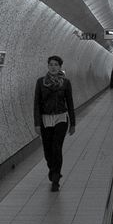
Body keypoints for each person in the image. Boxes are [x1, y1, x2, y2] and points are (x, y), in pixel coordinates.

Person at [33, 55, 75, 191]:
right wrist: (37, 123)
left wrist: (73, 123)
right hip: (45, 119)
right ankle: (52, 169)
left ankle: (56, 177)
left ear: (60, 67)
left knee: (57, 147)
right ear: (48, 66)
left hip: (61, 118)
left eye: (56, 65)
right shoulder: (40, 82)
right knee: (47, 150)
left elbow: (70, 103)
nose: (53, 67)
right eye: (51, 64)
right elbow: (37, 104)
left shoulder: (66, 83)